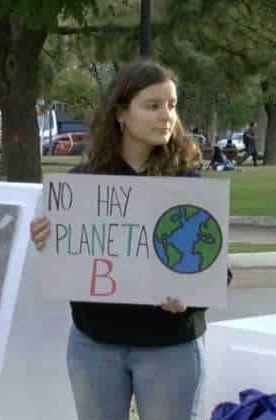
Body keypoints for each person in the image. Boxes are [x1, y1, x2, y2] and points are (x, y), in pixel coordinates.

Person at [30, 60, 231, 420]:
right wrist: (46, 239)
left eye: (171, 105)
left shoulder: (189, 186)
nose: (166, 116)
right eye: (152, 106)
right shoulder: (82, 184)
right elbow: (72, 258)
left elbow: (218, 272)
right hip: (95, 346)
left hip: (169, 349)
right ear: (121, 113)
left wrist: (189, 298)